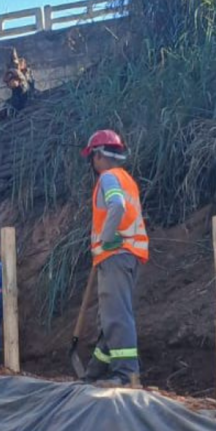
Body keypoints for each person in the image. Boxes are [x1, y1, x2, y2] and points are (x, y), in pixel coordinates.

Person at [82, 129, 149, 386]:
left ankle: (126, 375)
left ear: (98, 156)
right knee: (111, 316)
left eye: (92, 158)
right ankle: (94, 373)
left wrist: (105, 242)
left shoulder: (109, 178)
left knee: (116, 317)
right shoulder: (126, 179)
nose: (92, 164)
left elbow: (117, 206)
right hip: (129, 256)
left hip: (116, 255)